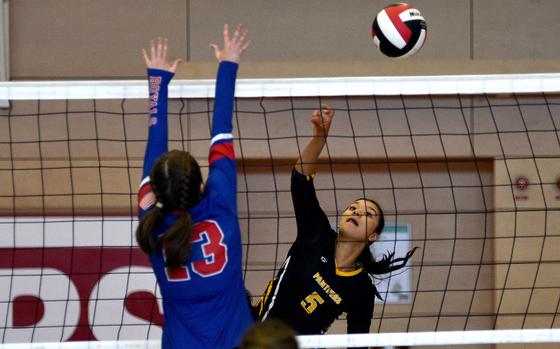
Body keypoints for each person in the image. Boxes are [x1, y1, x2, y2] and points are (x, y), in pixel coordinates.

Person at [253, 104, 417, 340]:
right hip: (251, 335)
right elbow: (300, 181)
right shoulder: (316, 233)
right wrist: (320, 138)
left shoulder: (361, 289)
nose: (356, 212)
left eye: (367, 213)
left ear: (373, 236)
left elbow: (358, 343)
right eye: (353, 207)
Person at [135, 25, 252, 349]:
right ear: (201, 185)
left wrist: (158, 81)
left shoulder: (151, 226)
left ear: (156, 191)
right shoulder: (221, 204)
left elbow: (155, 149)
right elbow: (222, 131)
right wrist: (228, 63)